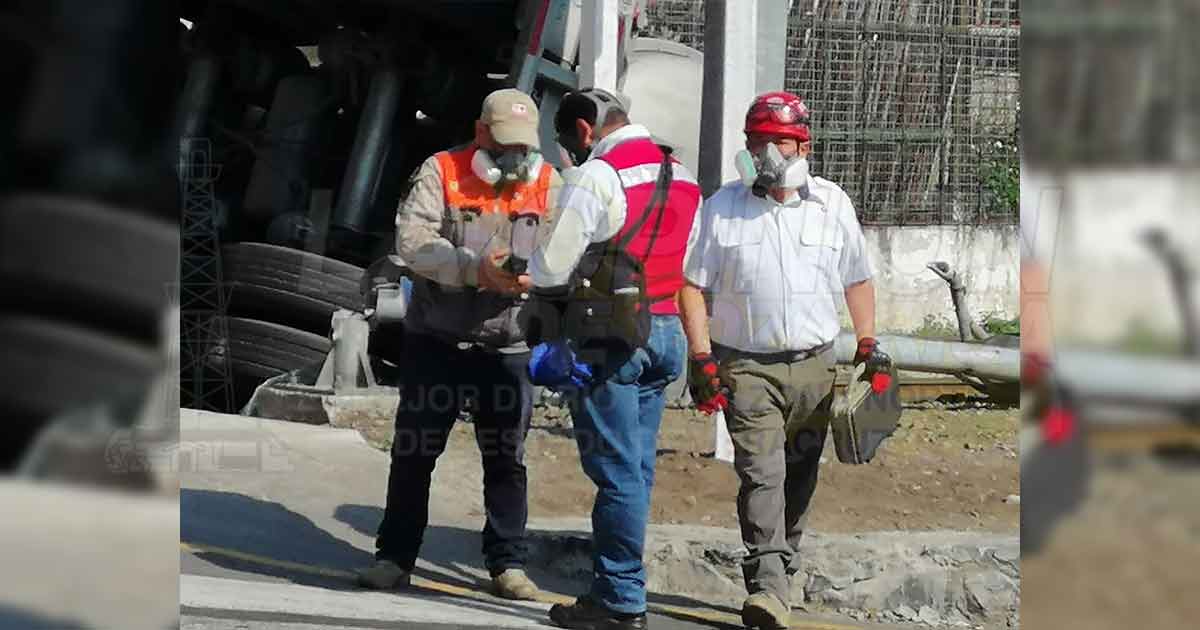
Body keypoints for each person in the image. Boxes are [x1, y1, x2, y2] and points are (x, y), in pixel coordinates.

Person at [678, 91, 883, 630]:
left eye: (777, 142)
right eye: (756, 141)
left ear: (802, 145)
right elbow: (692, 287)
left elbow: (857, 278)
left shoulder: (832, 204)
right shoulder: (722, 207)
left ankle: (782, 569)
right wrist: (701, 356)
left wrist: (866, 343)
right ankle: (767, 584)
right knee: (760, 473)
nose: (766, 152)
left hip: (816, 366)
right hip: (746, 366)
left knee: (800, 475)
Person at [356, 88, 560, 601]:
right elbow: (413, 243)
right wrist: (474, 271)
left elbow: (566, 249)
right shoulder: (441, 171)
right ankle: (395, 557)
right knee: (414, 453)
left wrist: (541, 277)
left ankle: (507, 565)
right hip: (438, 341)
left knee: (506, 459)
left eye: (523, 146)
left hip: (506, 346)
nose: (515, 157)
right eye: (504, 143)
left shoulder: (548, 181)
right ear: (480, 133)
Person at [527, 88, 706, 630]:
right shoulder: (686, 176)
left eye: (566, 139)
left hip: (613, 338)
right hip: (668, 332)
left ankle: (620, 600)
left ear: (585, 131)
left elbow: (551, 268)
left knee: (617, 473)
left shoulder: (598, 176)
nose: (568, 151)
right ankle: (619, 586)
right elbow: (692, 263)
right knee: (638, 469)